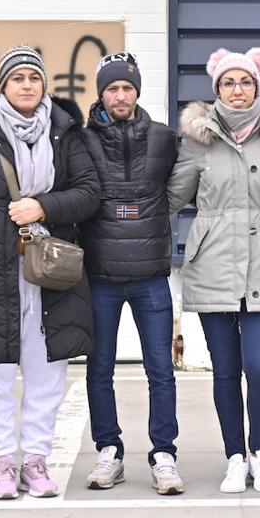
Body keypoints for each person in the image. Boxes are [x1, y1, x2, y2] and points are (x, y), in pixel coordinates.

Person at [0, 44, 100, 500]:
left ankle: (36, 461)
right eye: (17, 78)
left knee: (47, 372)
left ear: (45, 85)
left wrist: (41, 206)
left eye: (34, 78)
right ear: (3, 87)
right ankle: (2, 463)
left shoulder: (66, 134)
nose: (26, 85)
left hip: (50, 275)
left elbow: (89, 193)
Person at [168, 47, 260, 493]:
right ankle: (234, 456)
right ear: (216, 90)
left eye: (245, 82)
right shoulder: (198, 138)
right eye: (228, 82)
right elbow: (172, 198)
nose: (238, 89)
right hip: (213, 263)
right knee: (225, 370)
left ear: (258, 86)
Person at [79, 52, 183, 495]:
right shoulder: (80, 140)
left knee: (160, 368)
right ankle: (109, 451)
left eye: (127, 87)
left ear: (137, 91)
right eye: (112, 88)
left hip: (151, 275)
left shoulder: (164, 138)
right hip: (98, 274)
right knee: (99, 368)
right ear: (101, 93)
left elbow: (184, 185)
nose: (120, 95)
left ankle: (164, 454)